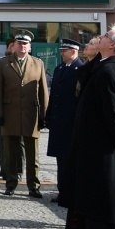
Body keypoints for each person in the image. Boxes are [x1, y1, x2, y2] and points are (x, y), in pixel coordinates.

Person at [64, 25, 115, 229]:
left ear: (113, 45)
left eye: (105, 37)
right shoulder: (106, 65)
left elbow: (113, 110)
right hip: (95, 143)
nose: (99, 38)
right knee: (96, 193)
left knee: (101, 195)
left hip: (99, 145)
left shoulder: (109, 70)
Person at [0, 32, 49, 199]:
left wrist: (44, 115)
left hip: (31, 115)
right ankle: (11, 184)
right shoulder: (4, 63)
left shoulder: (38, 64)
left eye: (25, 44)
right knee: (11, 152)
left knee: (33, 154)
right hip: (10, 114)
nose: (22, 46)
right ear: (14, 46)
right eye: (19, 43)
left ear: (30, 47)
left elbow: (43, 92)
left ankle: (33, 186)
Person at [46, 40, 83, 202]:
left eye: (65, 50)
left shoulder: (80, 69)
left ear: (74, 51)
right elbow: (54, 96)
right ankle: (62, 191)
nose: (62, 53)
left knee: (70, 160)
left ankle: (70, 192)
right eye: (62, 50)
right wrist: (48, 117)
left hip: (71, 122)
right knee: (60, 159)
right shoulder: (59, 68)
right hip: (58, 121)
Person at [0, 39, 24, 182]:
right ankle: (4, 170)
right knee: (3, 142)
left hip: (20, 111)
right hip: (4, 110)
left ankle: (18, 170)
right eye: (10, 45)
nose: (11, 47)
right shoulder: (3, 63)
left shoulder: (29, 63)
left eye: (14, 45)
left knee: (20, 142)